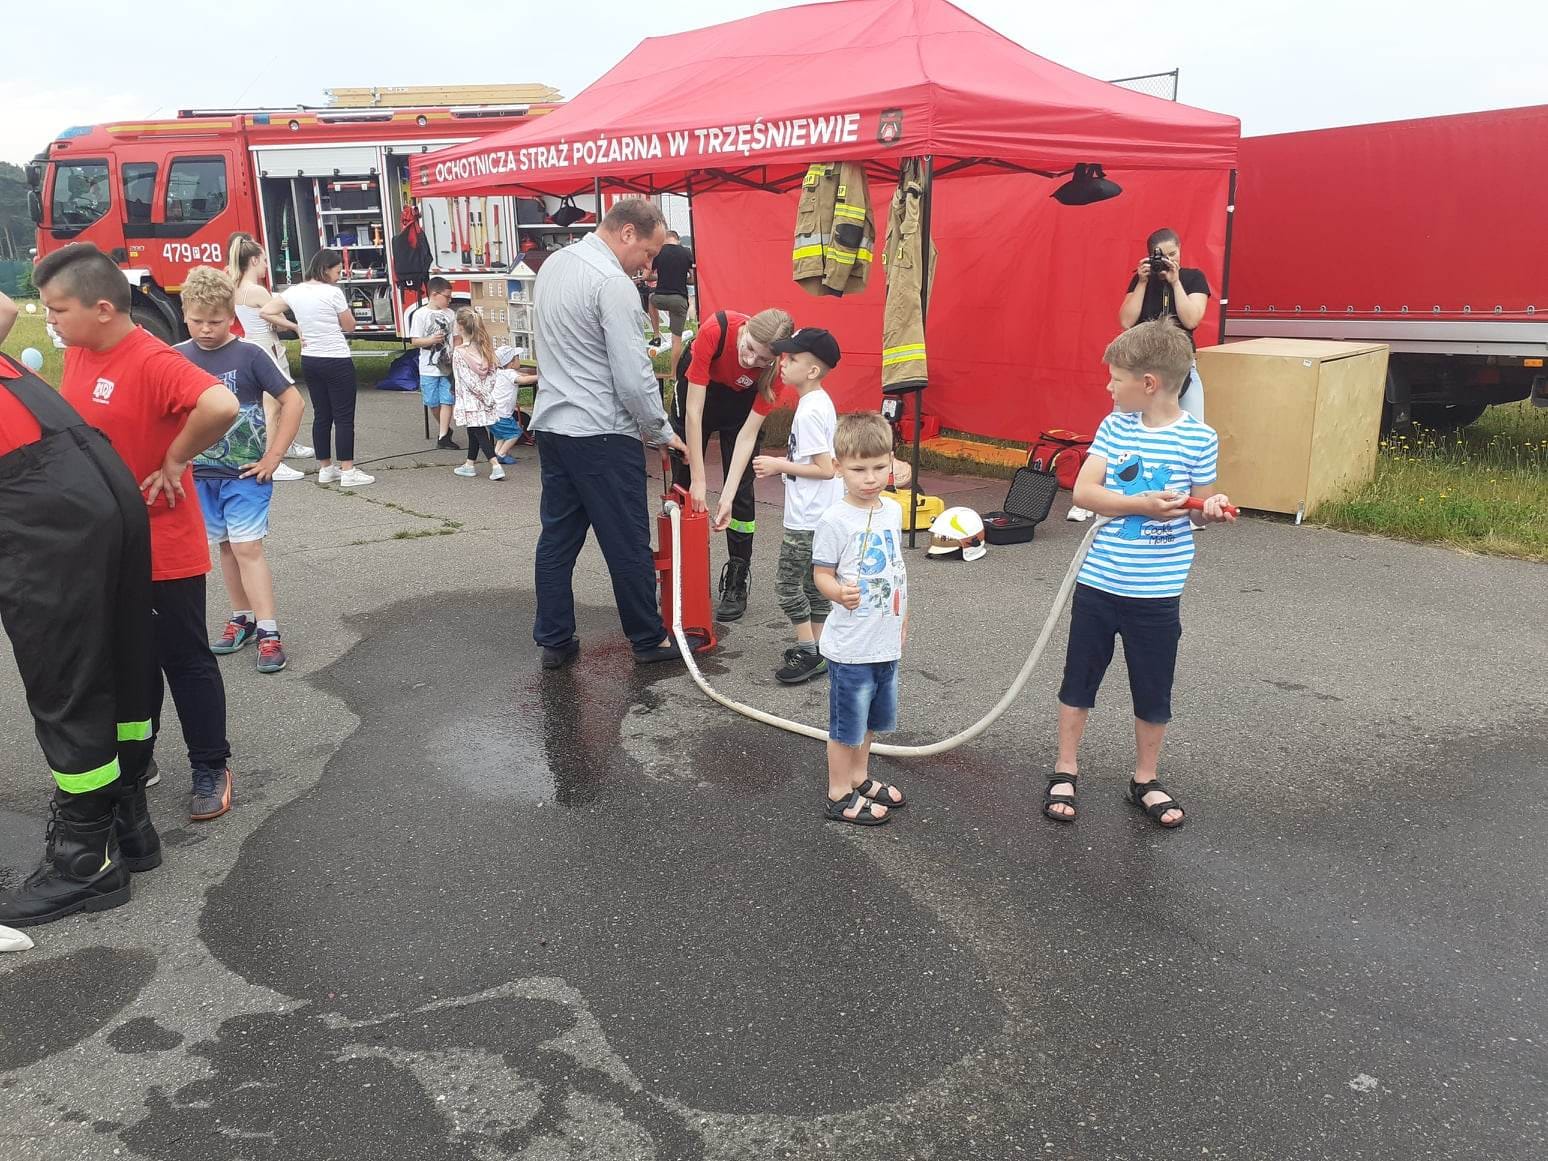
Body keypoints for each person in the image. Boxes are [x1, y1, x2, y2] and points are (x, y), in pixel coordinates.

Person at [37, 242, 242, 823]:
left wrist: (175, 457)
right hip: (105, 543)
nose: (50, 320)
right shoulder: (80, 352)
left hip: (162, 543)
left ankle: (211, 763)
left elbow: (221, 405)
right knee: (126, 660)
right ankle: (137, 758)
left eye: (59, 309)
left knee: (183, 658)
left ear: (103, 309)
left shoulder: (151, 358)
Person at [0, 291, 162, 926]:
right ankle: (129, 824)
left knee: (66, 675)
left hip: (39, 498)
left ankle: (83, 860)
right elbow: (5, 307)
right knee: (121, 656)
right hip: (89, 470)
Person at [1045, 319, 1236, 830]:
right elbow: (1085, 492)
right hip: (1100, 583)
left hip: (1157, 592)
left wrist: (1209, 509)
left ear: (1148, 383)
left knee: (1153, 686)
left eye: (1115, 379)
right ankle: (1066, 768)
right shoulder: (1115, 428)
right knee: (1080, 677)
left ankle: (1145, 779)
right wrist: (1140, 505)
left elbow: (1199, 509)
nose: (1108, 387)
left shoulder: (1199, 439)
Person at [529, 198, 704, 669]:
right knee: (626, 539)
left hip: (554, 423)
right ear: (627, 232)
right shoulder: (612, 283)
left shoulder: (554, 266)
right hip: (602, 431)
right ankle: (648, 640)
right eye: (648, 253)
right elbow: (632, 376)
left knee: (558, 539)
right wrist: (660, 430)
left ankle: (554, 640)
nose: (648, 267)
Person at [176, 266, 304, 674]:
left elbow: (293, 402)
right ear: (184, 313)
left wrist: (273, 457)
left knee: (248, 547)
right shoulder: (177, 357)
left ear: (231, 315)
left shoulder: (250, 355)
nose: (206, 329)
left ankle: (269, 631)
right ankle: (242, 618)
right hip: (201, 476)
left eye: (215, 321)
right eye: (197, 320)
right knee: (227, 547)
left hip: (247, 474)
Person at [715, 327, 844, 684]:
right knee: (814, 585)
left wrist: (778, 465)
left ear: (812, 370)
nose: (782, 364)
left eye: (792, 358)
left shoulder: (809, 411)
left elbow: (825, 469)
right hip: (819, 516)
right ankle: (818, 649)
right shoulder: (819, 402)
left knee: (787, 587)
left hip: (807, 519)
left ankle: (808, 649)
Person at [812, 412, 909, 826]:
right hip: (851, 647)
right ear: (838, 467)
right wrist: (837, 592)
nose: (870, 478)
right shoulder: (834, 520)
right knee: (846, 726)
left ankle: (859, 777)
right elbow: (821, 573)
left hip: (884, 642)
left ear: (891, 461)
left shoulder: (892, 511)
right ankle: (838, 792)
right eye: (858, 469)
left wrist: (903, 618)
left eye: (879, 467)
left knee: (870, 722)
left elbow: (896, 569)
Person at [674, 307, 794, 621]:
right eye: (750, 348)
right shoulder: (716, 330)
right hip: (700, 397)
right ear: (747, 328)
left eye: (763, 359)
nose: (751, 361)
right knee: (684, 483)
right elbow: (693, 413)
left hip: (739, 408)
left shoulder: (775, 373)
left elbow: (747, 436)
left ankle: (737, 576)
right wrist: (700, 479)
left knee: (740, 491)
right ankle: (679, 573)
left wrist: (725, 497)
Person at [262, 249, 373, 487]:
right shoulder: (333, 293)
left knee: (321, 415)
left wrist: (295, 326)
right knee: (343, 417)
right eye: (337, 271)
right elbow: (349, 326)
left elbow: (266, 311)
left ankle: (325, 468)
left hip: (310, 358)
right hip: (336, 358)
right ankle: (348, 470)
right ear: (325, 269)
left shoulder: (295, 291)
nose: (338, 276)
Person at [226, 231, 312, 478]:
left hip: (253, 342)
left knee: (268, 404)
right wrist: (294, 326)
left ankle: (283, 446)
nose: (265, 265)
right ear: (253, 260)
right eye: (264, 260)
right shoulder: (258, 291)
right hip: (269, 346)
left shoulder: (235, 286)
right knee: (275, 405)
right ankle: (274, 460)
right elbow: (277, 320)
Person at [450, 307, 504, 480]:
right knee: (473, 430)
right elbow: (493, 374)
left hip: (470, 401)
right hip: (484, 398)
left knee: (479, 433)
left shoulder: (460, 352)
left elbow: (467, 380)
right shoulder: (484, 348)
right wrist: (487, 394)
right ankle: (469, 464)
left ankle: (495, 465)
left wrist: (482, 395)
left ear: (460, 326)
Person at [407, 276, 459, 449]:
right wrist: (431, 340)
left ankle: (443, 436)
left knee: (447, 400)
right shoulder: (420, 314)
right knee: (432, 402)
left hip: (448, 365)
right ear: (434, 294)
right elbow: (415, 341)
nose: (449, 300)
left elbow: (456, 338)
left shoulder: (450, 314)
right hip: (428, 367)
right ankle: (445, 429)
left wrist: (458, 353)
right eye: (447, 297)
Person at [650, 230, 695, 370]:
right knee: (676, 340)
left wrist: (662, 277)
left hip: (660, 298)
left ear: (665, 239)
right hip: (679, 300)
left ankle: (656, 334)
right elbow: (693, 279)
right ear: (677, 239)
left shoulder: (659, 252)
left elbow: (646, 275)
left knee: (650, 299)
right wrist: (681, 278)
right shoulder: (687, 252)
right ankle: (673, 374)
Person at [492, 346, 536, 464]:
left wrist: (525, 375)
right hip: (503, 413)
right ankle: (502, 454)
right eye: (517, 358)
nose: (519, 360)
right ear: (511, 363)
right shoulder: (510, 373)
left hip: (495, 412)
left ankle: (497, 452)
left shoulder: (500, 372)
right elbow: (523, 380)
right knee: (515, 433)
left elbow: (520, 375)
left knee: (502, 436)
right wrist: (539, 377)